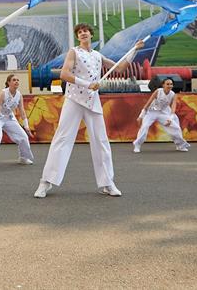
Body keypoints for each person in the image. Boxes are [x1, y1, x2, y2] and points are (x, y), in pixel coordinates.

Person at [34, 23, 144, 199]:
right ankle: (46, 182)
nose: (83, 33)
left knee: (101, 141)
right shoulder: (74, 52)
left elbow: (120, 68)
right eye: (79, 32)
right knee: (62, 139)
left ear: (91, 34)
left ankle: (108, 183)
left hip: (92, 101)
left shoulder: (97, 55)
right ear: (77, 36)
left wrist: (135, 50)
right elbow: (64, 74)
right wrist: (87, 84)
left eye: (85, 31)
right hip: (74, 99)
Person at [0, 74, 34, 170]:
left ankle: (23, 158)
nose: (16, 81)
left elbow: (22, 111)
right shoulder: (3, 93)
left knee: (23, 136)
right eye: (14, 80)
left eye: (17, 80)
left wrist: (26, 126)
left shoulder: (19, 95)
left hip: (9, 118)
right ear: (8, 82)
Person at [132, 78, 190, 153]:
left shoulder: (173, 94)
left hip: (164, 112)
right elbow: (148, 103)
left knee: (175, 127)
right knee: (145, 126)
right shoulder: (158, 91)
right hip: (152, 111)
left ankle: (180, 145)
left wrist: (171, 118)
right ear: (163, 85)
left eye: (171, 84)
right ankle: (137, 145)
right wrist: (141, 116)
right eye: (167, 84)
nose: (170, 86)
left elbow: (173, 106)